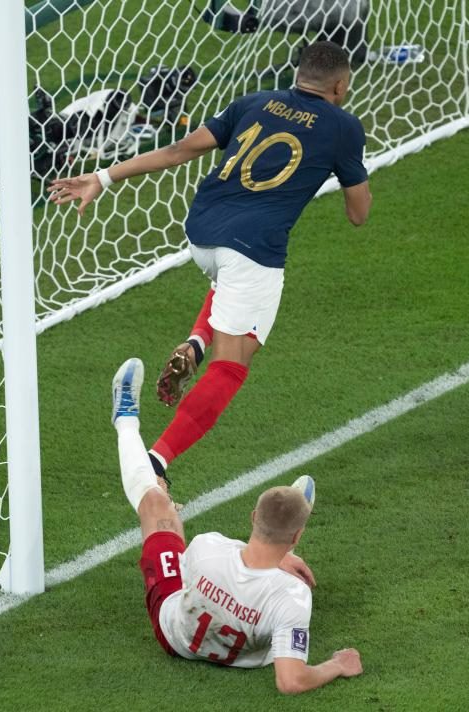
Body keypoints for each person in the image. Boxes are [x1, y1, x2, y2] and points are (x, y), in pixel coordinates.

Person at [49, 41, 372, 484]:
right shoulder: (344, 127)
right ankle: (155, 465)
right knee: (231, 367)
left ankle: (195, 344)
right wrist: (347, 167)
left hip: (202, 232)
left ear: (299, 73)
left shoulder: (254, 101)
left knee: (227, 282)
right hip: (252, 248)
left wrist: (103, 177)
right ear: (341, 85)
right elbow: (358, 214)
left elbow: (179, 150)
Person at [111, 357, 363, 692]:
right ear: (298, 537)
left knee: (156, 505)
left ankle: (126, 421)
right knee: (278, 589)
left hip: (174, 636)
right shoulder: (294, 596)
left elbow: (226, 568)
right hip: (247, 650)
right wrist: (338, 665)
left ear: (253, 517)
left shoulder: (208, 548)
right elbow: (291, 681)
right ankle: (287, 528)